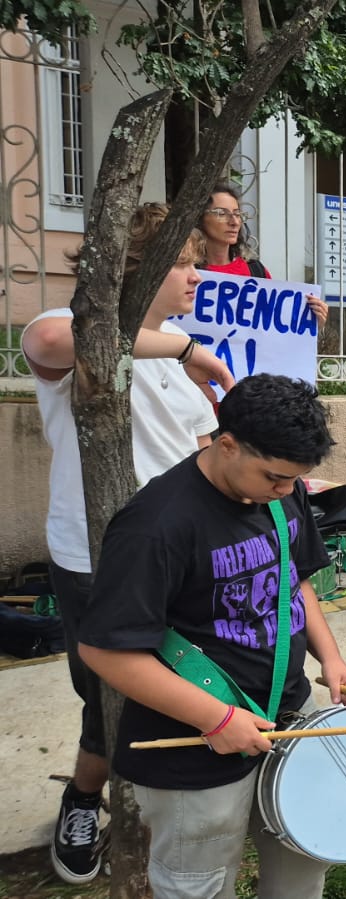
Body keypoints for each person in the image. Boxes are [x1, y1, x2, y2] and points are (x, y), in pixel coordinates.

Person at [77, 374, 346, 898]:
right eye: (274, 477)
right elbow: (104, 648)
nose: (286, 490)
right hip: (195, 745)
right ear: (225, 444)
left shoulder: (281, 493)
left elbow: (293, 581)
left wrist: (331, 656)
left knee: (303, 862)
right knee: (198, 884)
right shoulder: (157, 524)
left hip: (288, 717)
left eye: (294, 479)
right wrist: (217, 718)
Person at [22, 204, 234, 885]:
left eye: (196, 260)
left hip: (183, 558)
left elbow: (204, 453)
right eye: (182, 261)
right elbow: (59, 341)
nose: (197, 275)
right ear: (135, 269)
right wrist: (183, 348)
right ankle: (85, 798)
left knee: (177, 683)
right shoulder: (84, 333)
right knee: (106, 692)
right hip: (95, 555)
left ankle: (150, 804)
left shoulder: (177, 352)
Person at [197, 182, 328, 326]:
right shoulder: (186, 272)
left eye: (237, 214)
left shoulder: (256, 271)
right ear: (199, 218)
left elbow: (272, 326)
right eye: (221, 213)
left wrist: (310, 321)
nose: (234, 222)